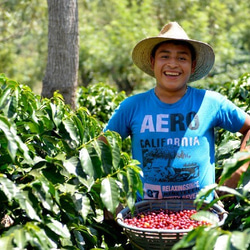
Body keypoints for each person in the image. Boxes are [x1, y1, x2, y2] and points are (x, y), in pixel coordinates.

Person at [103, 21, 250, 202]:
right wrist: (111, 198)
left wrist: (237, 171)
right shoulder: (132, 107)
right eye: (165, 57)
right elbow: (101, 149)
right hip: (146, 219)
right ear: (153, 62)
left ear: (192, 66)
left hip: (201, 217)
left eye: (182, 58)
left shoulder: (210, 102)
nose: (173, 64)